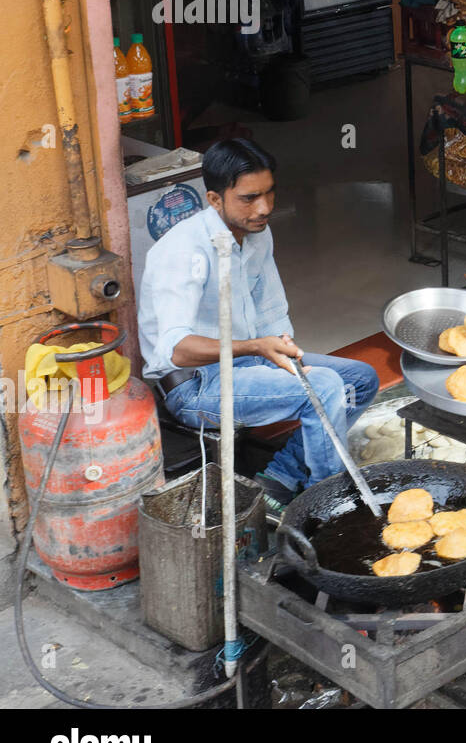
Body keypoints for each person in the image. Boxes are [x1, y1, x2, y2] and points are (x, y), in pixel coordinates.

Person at [137, 138, 379, 511]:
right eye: (249, 198)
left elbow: (269, 309)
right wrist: (255, 347)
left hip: (247, 362)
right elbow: (176, 350)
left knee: (360, 379)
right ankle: (328, 504)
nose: (264, 208)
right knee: (327, 386)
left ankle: (279, 477)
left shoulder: (256, 232)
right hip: (196, 385)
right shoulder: (183, 252)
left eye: (269, 193)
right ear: (215, 199)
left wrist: (283, 349)